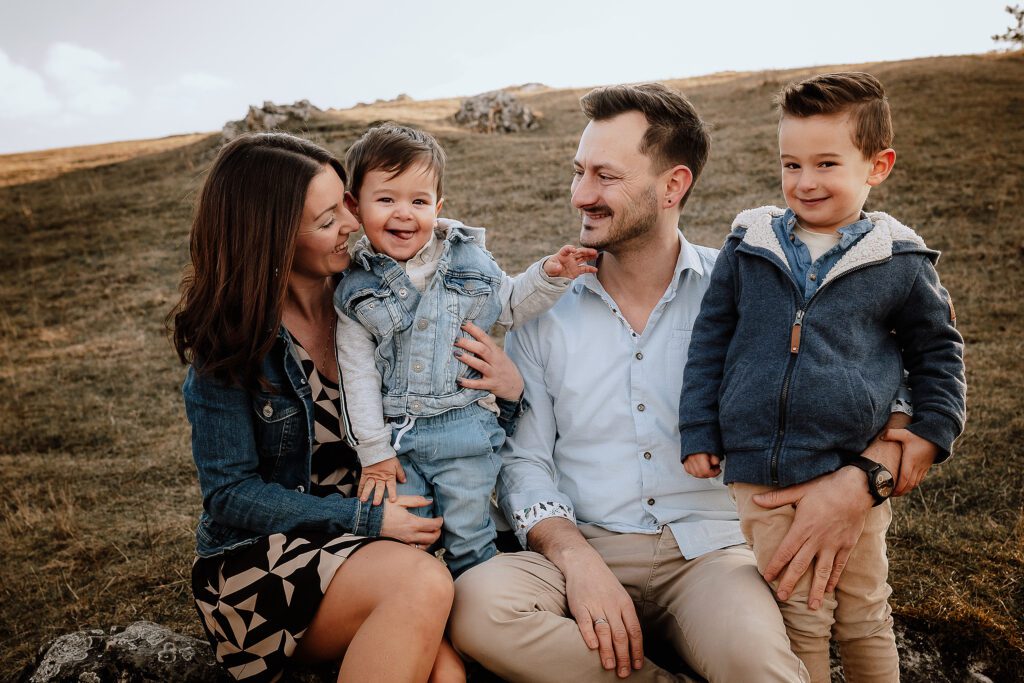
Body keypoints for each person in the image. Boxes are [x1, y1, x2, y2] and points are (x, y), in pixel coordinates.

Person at [449, 82, 910, 683]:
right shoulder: (544, 309)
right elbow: (525, 460)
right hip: (581, 543)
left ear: (673, 185)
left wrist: (865, 475)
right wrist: (575, 558)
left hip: (713, 552)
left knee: (758, 665)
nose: (582, 194)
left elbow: (881, 372)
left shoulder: (750, 288)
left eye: (606, 177)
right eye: (578, 172)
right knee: (479, 607)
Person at [170, 132, 525, 682]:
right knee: (423, 584)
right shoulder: (232, 345)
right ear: (274, 236)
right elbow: (229, 494)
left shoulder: (375, 299)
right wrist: (365, 519)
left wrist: (508, 391)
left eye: (346, 204)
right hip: (264, 565)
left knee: (449, 672)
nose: (353, 224)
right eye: (327, 219)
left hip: (377, 545)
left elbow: (458, 423)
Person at [679, 72, 966, 682]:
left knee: (865, 612)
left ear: (877, 166)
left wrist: (931, 430)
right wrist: (698, 426)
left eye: (826, 164)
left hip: (853, 465)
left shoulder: (899, 259)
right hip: (764, 471)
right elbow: (710, 338)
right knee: (801, 615)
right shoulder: (749, 243)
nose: (805, 182)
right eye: (792, 164)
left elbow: (938, 351)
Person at [333, 123, 597, 576]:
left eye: (419, 202)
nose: (404, 214)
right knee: (404, 542)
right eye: (386, 199)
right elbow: (356, 375)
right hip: (397, 442)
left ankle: (480, 604)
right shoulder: (356, 291)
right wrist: (374, 453)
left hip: (465, 432)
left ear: (438, 207)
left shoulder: (468, 261)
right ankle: (420, 603)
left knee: (470, 538)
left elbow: (509, 305)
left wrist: (549, 276)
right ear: (355, 206)